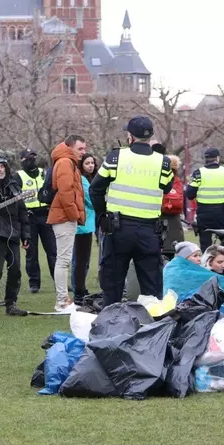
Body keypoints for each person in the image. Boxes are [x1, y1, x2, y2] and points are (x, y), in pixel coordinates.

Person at [90, 116, 174, 306]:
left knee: (113, 282)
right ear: (150, 136)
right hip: (150, 230)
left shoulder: (115, 157)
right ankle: (152, 328)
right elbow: (167, 187)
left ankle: (110, 323)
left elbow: (96, 189)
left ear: (130, 136)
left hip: (118, 228)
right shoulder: (164, 162)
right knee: (151, 285)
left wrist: (102, 215)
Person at [0, 157, 30, 318]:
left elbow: (22, 212)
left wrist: (26, 235)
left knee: (15, 270)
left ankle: (11, 304)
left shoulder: (14, 185)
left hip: (14, 234)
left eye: (2, 166)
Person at [48, 135, 87, 311]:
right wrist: (74, 214)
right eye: (80, 149)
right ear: (70, 147)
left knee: (64, 260)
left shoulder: (67, 161)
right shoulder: (65, 162)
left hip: (65, 216)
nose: (83, 153)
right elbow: (65, 192)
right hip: (64, 217)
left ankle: (64, 299)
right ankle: (62, 301)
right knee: (63, 260)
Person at [16, 148, 57, 294]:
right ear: (22, 160)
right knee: (31, 253)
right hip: (29, 217)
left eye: (33, 157)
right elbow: (15, 199)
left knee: (52, 251)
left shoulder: (43, 173)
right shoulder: (18, 176)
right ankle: (34, 283)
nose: (31, 160)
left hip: (45, 215)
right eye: (28, 158)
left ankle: (58, 281)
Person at [186, 147, 224, 251]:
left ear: (205, 159)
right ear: (217, 158)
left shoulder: (198, 173)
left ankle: (205, 263)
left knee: (205, 244)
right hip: (221, 213)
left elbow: (190, 194)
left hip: (203, 213)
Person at [71, 153, 97, 304]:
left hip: (88, 225)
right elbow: (91, 199)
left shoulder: (90, 179)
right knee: (80, 261)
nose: (90, 165)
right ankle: (78, 291)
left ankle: (81, 288)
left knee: (84, 260)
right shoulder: (82, 180)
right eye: (87, 163)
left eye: (92, 163)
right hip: (82, 226)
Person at [160, 154, 185, 259]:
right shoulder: (177, 179)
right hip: (174, 220)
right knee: (170, 252)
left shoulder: (160, 178)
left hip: (160, 217)